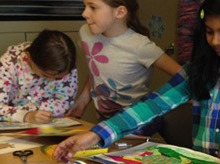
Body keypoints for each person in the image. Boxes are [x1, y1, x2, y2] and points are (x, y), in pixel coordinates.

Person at [53, 0, 220, 158]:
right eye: (209, 32)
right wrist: (96, 135)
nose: (215, 41)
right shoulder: (200, 69)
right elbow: (151, 106)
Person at [66, 0, 181, 135]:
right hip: (106, 121)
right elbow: (98, 69)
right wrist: (84, 99)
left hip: (138, 124)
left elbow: (184, 77)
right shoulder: (86, 33)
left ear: (119, 12)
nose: (84, 13)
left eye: (93, 7)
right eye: (84, 6)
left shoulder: (140, 46)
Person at [0, 30, 78, 124]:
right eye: (45, 75)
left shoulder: (66, 65)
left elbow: (64, 102)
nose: (51, 80)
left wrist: (39, 114)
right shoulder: (10, 63)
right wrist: (26, 116)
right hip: (10, 126)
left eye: (58, 78)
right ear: (30, 57)